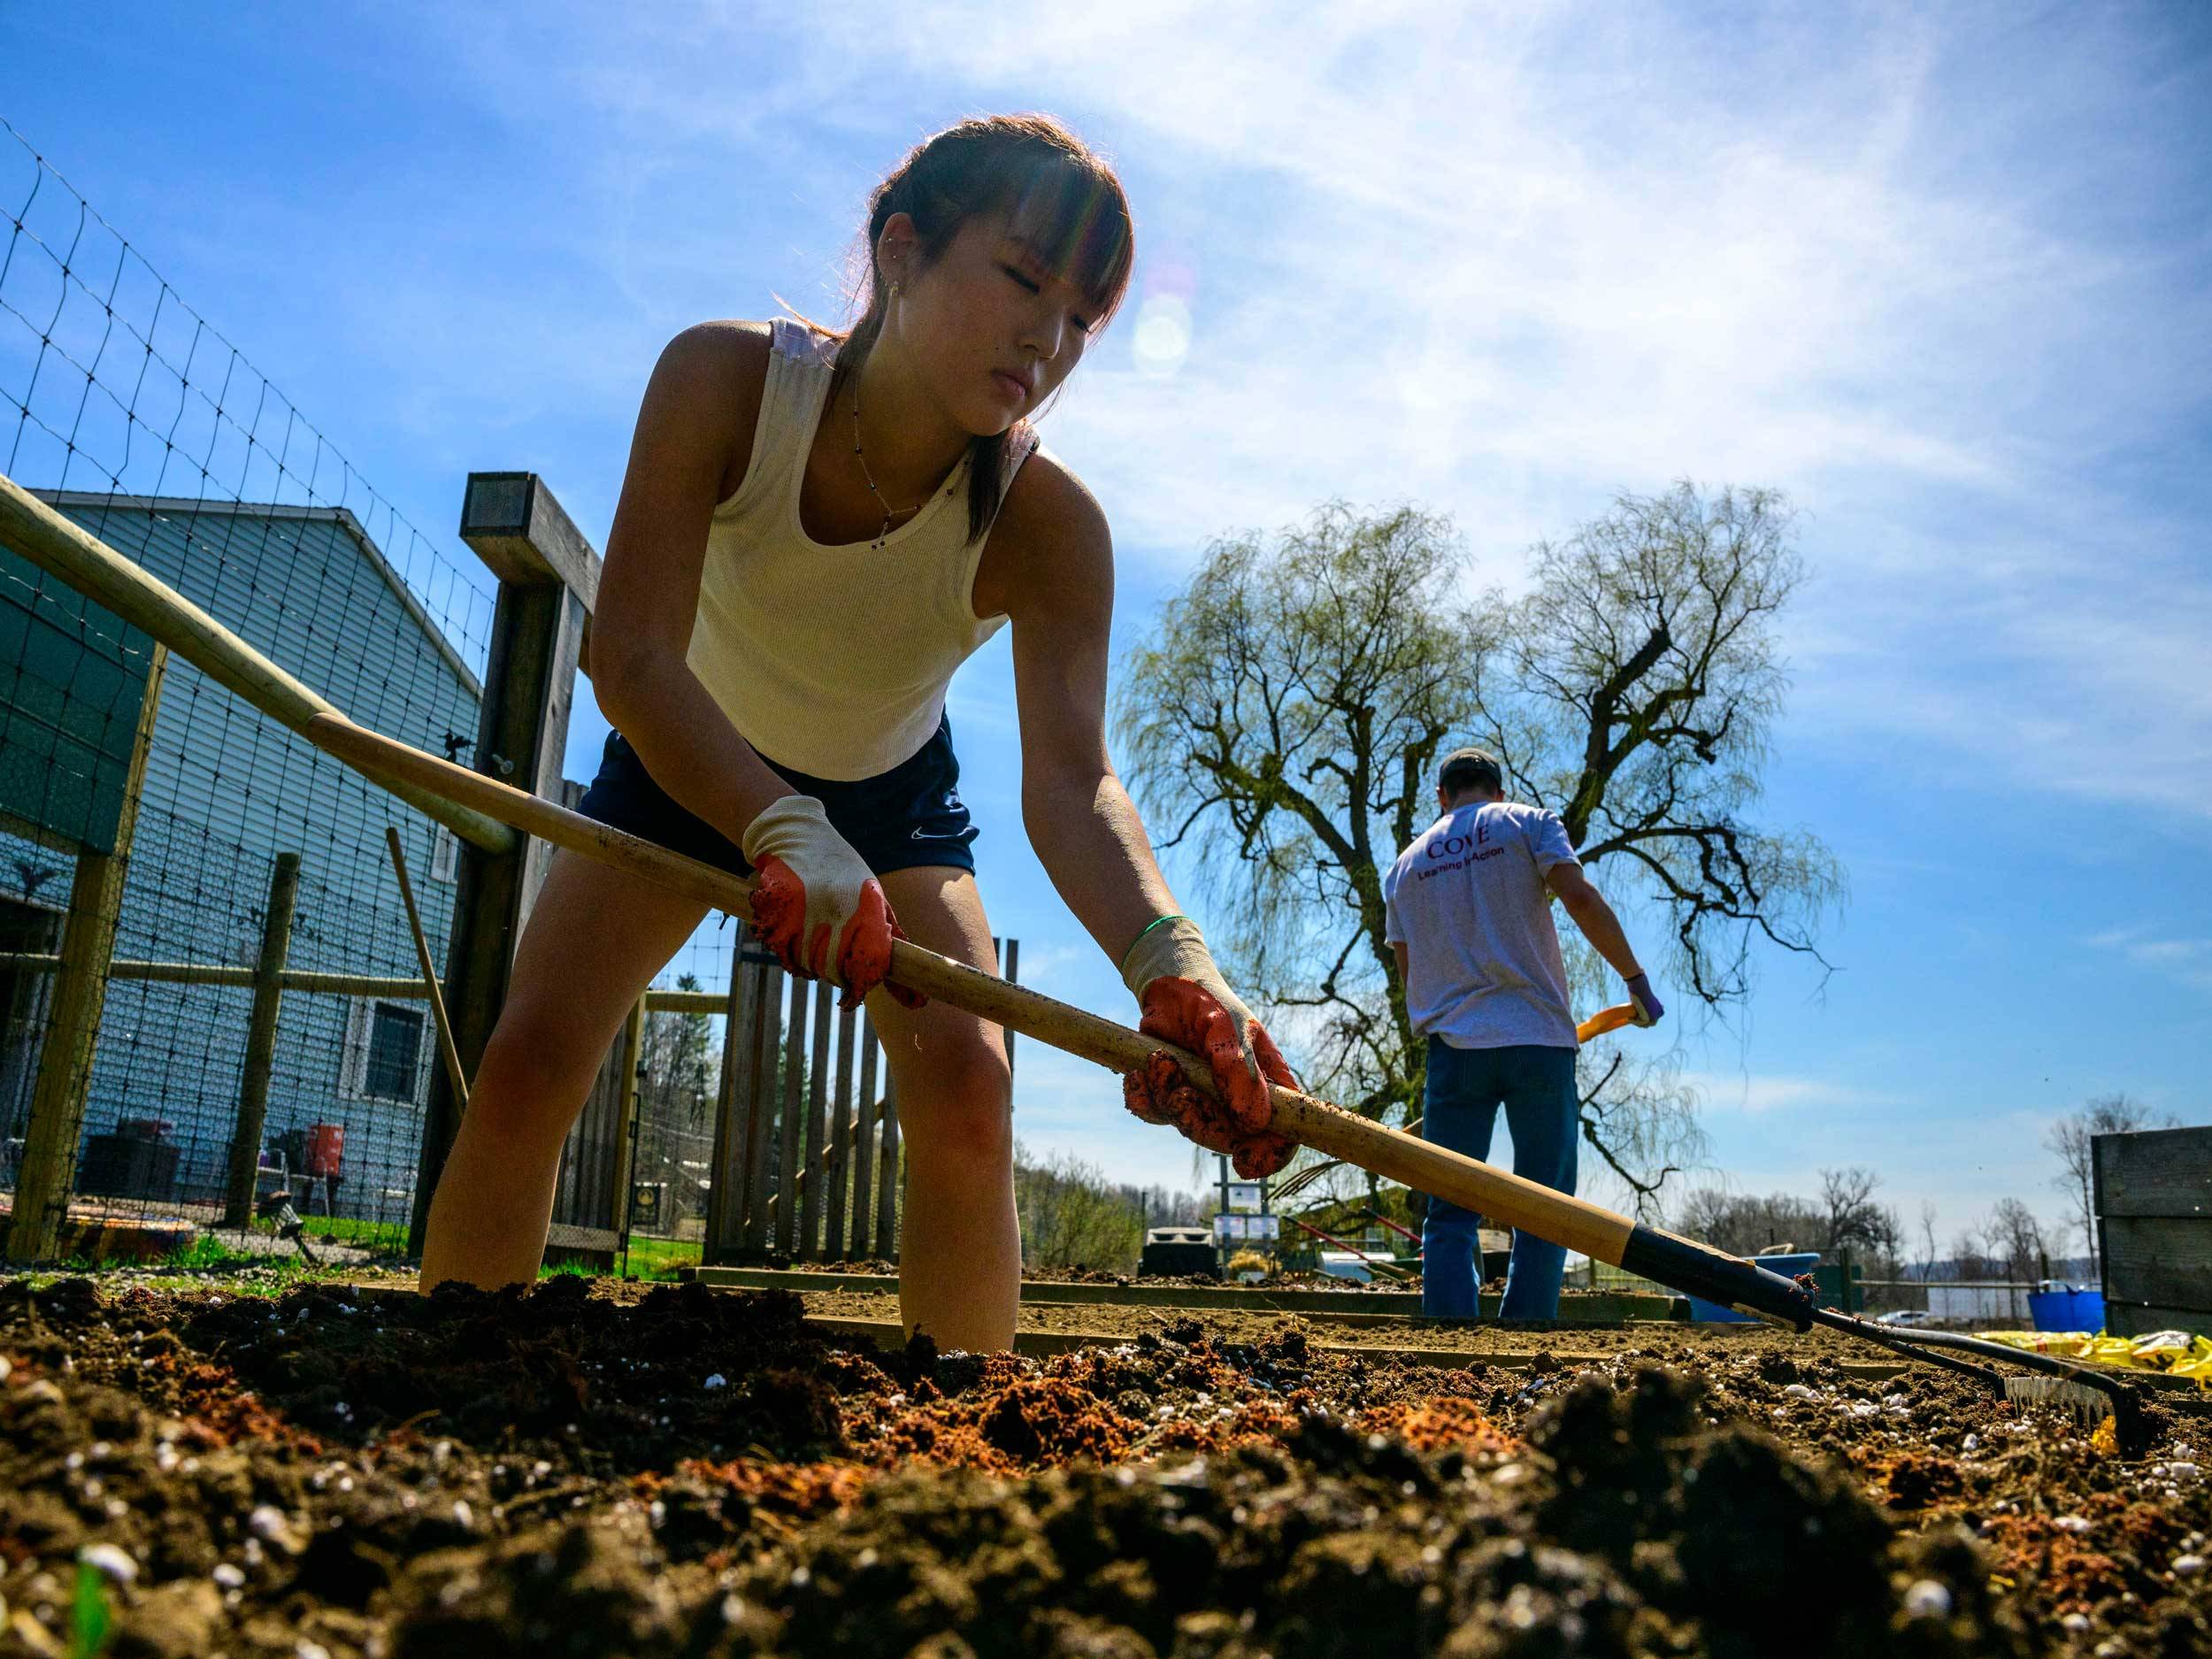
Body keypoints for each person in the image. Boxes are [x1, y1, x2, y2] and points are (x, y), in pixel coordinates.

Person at [416, 115, 1294, 1352]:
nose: (1049, 338)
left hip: (891, 808)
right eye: (1023, 278)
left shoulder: (1051, 526)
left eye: (1084, 317)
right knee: (530, 1057)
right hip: (687, 763)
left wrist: (1170, 955)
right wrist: (775, 820)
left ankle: (975, 1429)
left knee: (971, 1092)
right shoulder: (723, 381)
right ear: (901, 253)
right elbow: (632, 657)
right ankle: (451, 1376)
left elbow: (1072, 780)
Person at [1382, 747, 1663, 1319]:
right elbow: (1580, 898)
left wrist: (1442, 1030)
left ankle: (1450, 1343)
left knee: (1450, 1208)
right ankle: (1528, 1333)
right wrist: (1636, 980)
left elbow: (1411, 973)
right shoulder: (1527, 823)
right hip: (1538, 1040)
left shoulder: (1405, 866)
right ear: (1497, 789)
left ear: (1442, 797)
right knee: (1546, 1204)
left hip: (1454, 1052)